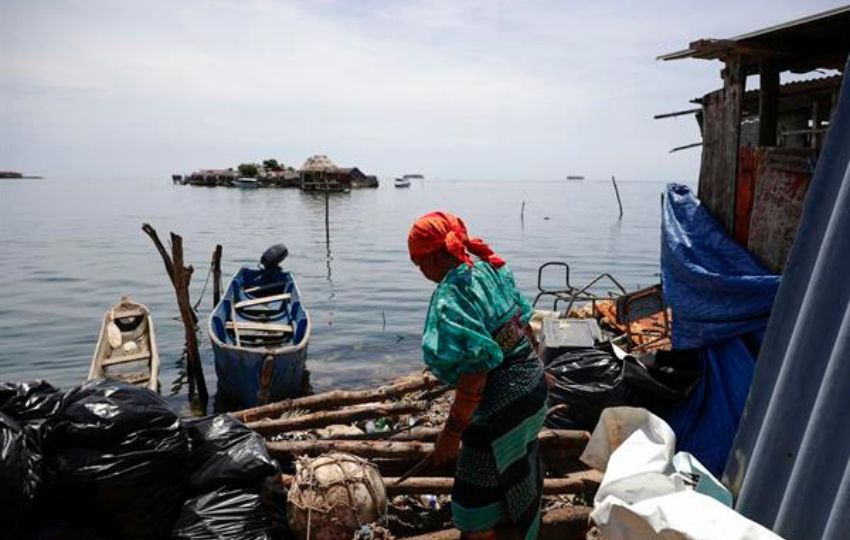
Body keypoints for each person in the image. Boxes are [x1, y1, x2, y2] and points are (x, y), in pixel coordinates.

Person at [407, 211, 549, 540]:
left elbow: (476, 376)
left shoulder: (452, 296)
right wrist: (538, 372)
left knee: (472, 509)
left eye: (419, 262)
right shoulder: (488, 268)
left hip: (504, 405)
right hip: (534, 388)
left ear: (435, 256)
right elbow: (522, 325)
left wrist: (451, 435)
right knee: (516, 469)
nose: (420, 270)